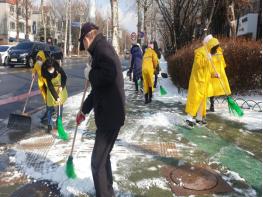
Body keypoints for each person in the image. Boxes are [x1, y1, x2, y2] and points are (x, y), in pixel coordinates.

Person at [76, 22, 125, 197]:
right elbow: (98, 89)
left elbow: (108, 75)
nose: (82, 46)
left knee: (97, 163)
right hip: (109, 114)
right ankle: (107, 192)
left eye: (82, 41)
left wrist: (90, 74)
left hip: (109, 116)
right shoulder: (99, 50)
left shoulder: (102, 50)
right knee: (103, 160)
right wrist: (83, 110)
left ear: (88, 37)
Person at [185, 35, 220, 127]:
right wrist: (207, 58)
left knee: (202, 101)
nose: (214, 49)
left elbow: (208, 70)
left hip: (204, 82)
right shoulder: (200, 51)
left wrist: (214, 74)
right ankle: (189, 117)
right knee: (194, 99)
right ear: (209, 43)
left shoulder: (209, 54)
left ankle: (199, 118)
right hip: (197, 80)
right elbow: (198, 63)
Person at [41, 59, 68, 133]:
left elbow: (64, 77)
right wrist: (56, 97)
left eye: (51, 68)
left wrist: (62, 86)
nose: (50, 70)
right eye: (49, 69)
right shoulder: (46, 73)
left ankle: (58, 123)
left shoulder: (59, 69)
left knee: (60, 106)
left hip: (60, 88)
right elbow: (50, 86)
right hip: (52, 90)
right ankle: (49, 125)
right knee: (49, 106)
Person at [207, 38, 231, 112]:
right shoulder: (211, 55)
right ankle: (212, 105)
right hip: (215, 74)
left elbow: (223, 64)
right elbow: (223, 64)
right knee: (211, 91)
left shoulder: (216, 53)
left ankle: (212, 105)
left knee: (212, 91)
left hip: (217, 74)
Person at [32, 50, 48, 122]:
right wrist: (33, 73)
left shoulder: (46, 64)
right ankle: (49, 110)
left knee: (49, 98)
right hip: (41, 82)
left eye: (40, 59)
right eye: (38, 59)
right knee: (45, 98)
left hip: (47, 82)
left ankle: (49, 112)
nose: (39, 61)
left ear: (43, 58)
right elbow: (34, 69)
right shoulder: (37, 64)